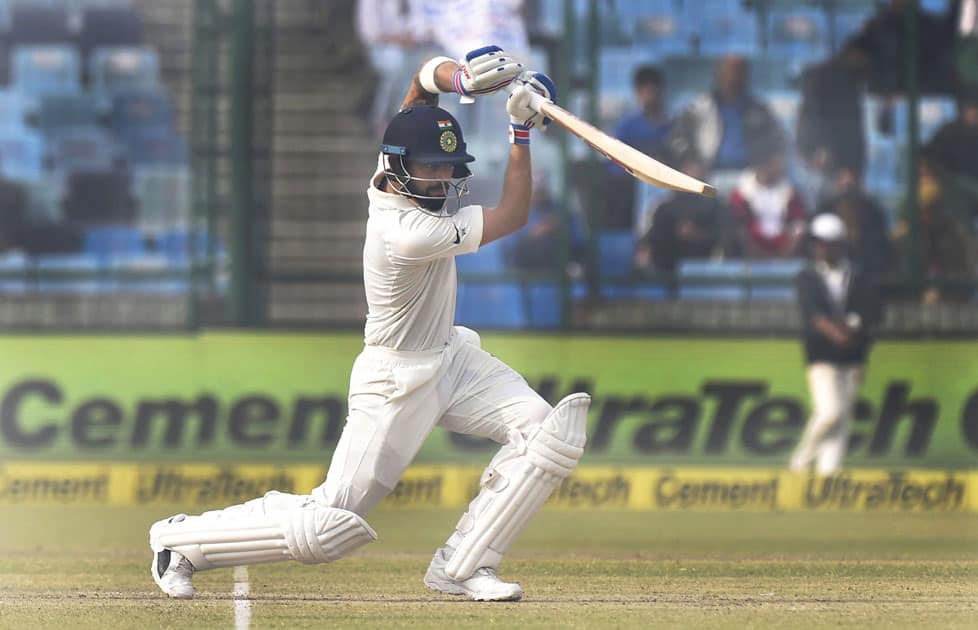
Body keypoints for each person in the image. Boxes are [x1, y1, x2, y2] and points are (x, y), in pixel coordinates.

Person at [148, 46, 590, 603]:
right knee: (328, 526)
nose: (442, 178)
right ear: (403, 166)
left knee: (548, 434)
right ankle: (180, 540)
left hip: (451, 358)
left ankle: (463, 566)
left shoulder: (389, 170)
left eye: (449, 167)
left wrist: (462, 79)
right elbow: (515, 215)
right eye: (431, 167)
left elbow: (420, 82)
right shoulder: (408, 232)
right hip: (395, 378)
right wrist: (520, 132)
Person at [790, 214, 882, 475]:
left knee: (842, 418)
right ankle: (800, 460)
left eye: (829, 242)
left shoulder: (858, 276)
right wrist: (836, 333)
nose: (824, 248)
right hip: (821, 355)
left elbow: (869, 313)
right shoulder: (807, 276)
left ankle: (828, 473)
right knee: (829, 411)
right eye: (820, 242)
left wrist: (852, 331)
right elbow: (813, 315)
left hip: (853, 356)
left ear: (841, 244)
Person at [666, 55, 782, 180]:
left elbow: (778, 142)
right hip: (708, 174)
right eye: (731, 71)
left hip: (751, 178)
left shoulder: (760, 110)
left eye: (740, 71)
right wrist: (688, 162)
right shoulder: (699, 108)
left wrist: (771, 165)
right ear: (719, 73)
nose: (735, 77)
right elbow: (677, 140)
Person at [634, 151, 727, 277]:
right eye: (687, 169)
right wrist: (646, 248)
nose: (692, 173)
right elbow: (654, 236)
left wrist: (697, 234)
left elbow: (722, 235)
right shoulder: (666, 207)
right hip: (669, 265)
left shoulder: (713, 205)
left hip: (704, 263)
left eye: (696, 169)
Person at [604, 64, 672, 231]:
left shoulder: (673, 126)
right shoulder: (628, 126)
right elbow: (614, 164)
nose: (650, 96)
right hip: (633, 191)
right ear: (638, 93)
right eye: (645, 90)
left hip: (668, 187)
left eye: (653, 90)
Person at [728, 135, 807, 259]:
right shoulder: (742, 192)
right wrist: (758, 255)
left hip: (783, 254)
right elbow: (741, 229)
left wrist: (784, 255)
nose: (783, 165)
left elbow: (798, 227)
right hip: (752, 257)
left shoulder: (790, 192)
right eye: (778, 161)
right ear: (766, 163)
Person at [815, 165, 891, 280]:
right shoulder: (824, 213)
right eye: (843, 185)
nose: (847, 202)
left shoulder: (874, 214)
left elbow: (879, 255)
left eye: (851, 187)